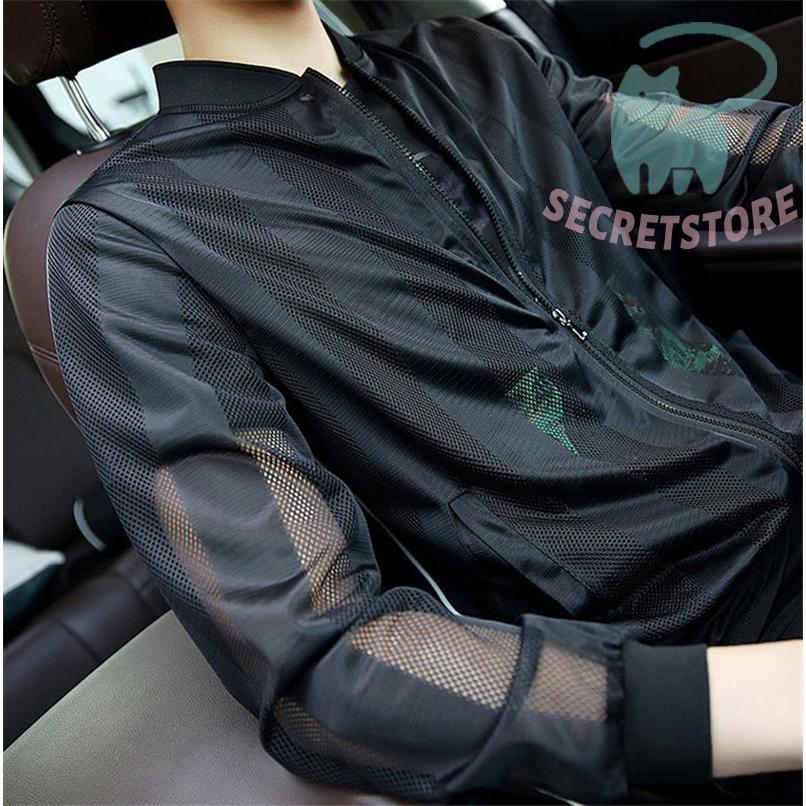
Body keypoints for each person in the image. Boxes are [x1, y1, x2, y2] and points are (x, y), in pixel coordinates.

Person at [46, 0, 802, 802]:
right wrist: (741, 703)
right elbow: (322, 661)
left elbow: (729, 151)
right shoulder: (135, 236)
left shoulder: (476, 62)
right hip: (709, 647)